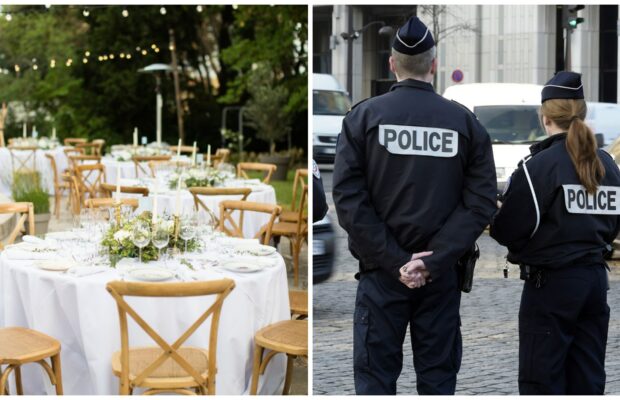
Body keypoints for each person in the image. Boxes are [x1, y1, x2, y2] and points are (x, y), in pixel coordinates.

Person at [332, 16, 497, 395]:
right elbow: (480, 203)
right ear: (434, 64)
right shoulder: (465, 124)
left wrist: (395, 260)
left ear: (392, 64)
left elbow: (348, 200)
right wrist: (433, 260)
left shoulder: (364, 118)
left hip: (380, 275)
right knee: (438, 381)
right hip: (440, 279)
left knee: (375, 382)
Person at [490, 71, 620, 395]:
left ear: (545, 116)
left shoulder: (539, 167)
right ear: (583, 111)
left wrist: (496, 213)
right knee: (588, 379)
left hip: (551, 285)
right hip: (594, 282)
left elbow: (509, 229)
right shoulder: (609, 165)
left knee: (541, 380)